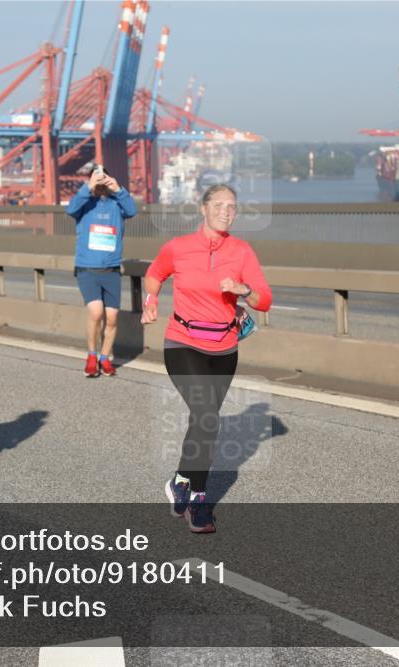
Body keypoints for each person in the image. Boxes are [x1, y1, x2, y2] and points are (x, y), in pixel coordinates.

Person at [141, 184, 271, 533]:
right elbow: (154, 275)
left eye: (232, 206)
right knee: (207, 417)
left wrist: (242, 290)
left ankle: (181, 479)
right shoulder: (178, 248)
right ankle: (198, 500)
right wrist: (150, 303)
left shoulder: (242, 252)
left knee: (204, 422)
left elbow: (265, 299)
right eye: (219, 205)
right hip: (182, 343)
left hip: (224, 349)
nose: (226, 211)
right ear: (203, 208)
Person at [66, 165, 137, 377]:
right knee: (96, 312)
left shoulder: (117, 204)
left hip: (112, 269)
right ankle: (91, 355)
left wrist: (118, 188)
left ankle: (105, 359)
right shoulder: (85, 203)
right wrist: (88, 187)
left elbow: (132, 211)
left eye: (103, 179)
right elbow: (70, 209)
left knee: (112, 318)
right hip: (88, 267)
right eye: (97, 180)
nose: (101, 183)